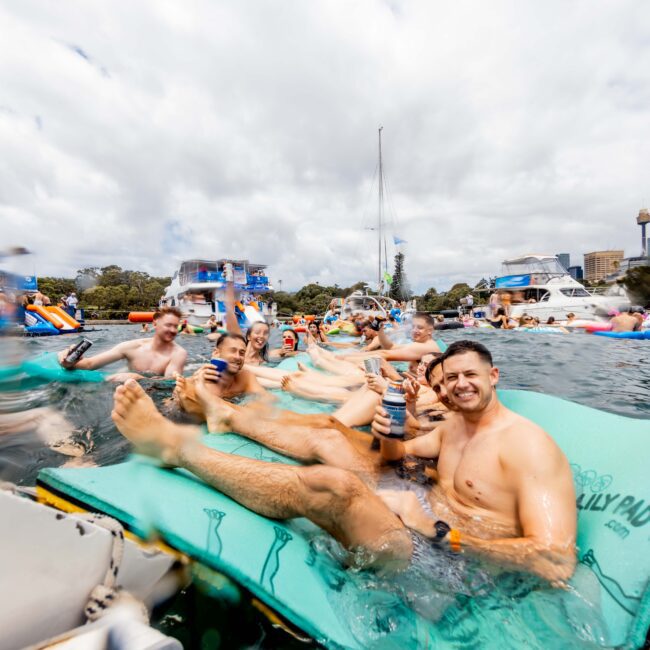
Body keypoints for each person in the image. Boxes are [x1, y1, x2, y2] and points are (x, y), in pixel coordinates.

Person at [111, 339, 576, 582]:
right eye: (450, 379)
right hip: (419, 511)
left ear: (494, 376)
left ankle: (177, 449)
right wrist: (386, 437)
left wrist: (437, 532)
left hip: (454, 560)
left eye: (470, 376)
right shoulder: (456, 426)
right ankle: (227, 418)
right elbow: (395, 458)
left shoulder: (527, 446)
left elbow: (555, 561)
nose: (458, 385)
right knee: (335, 444)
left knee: (332, 485)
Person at [58, 306, 187, 380]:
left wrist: (136, 377)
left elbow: (170, 383)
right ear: (155, 323)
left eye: (175, 326)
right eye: (168, 325)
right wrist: (69, 361)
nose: (173, 330)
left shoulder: (178, 353)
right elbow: (90, 364)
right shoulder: (131, 347)